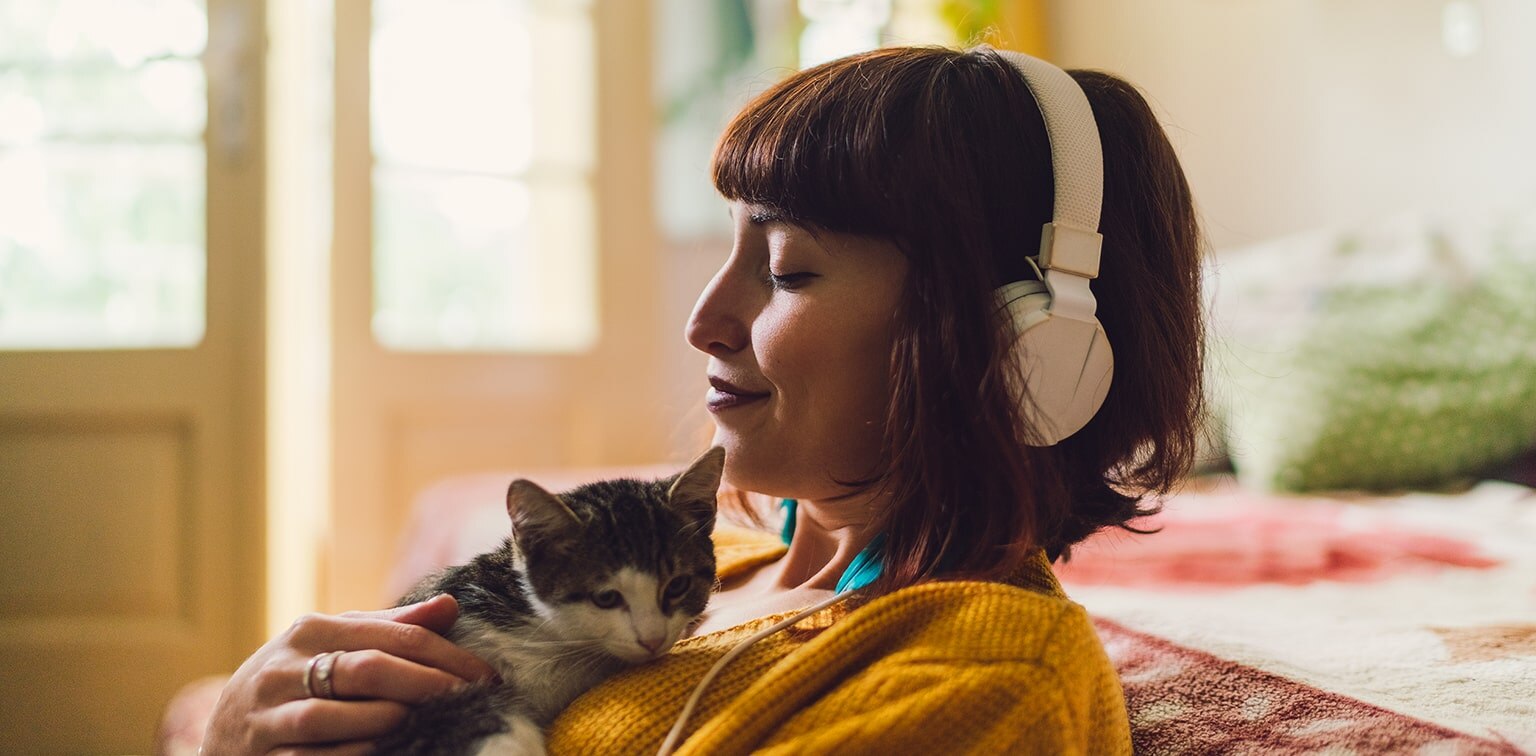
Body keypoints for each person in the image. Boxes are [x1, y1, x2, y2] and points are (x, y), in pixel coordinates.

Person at [203, 43, 1202, 754]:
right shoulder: (721, 563)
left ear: (1017, 345)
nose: (704, 320)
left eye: (788, 269)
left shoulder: (985, 683)